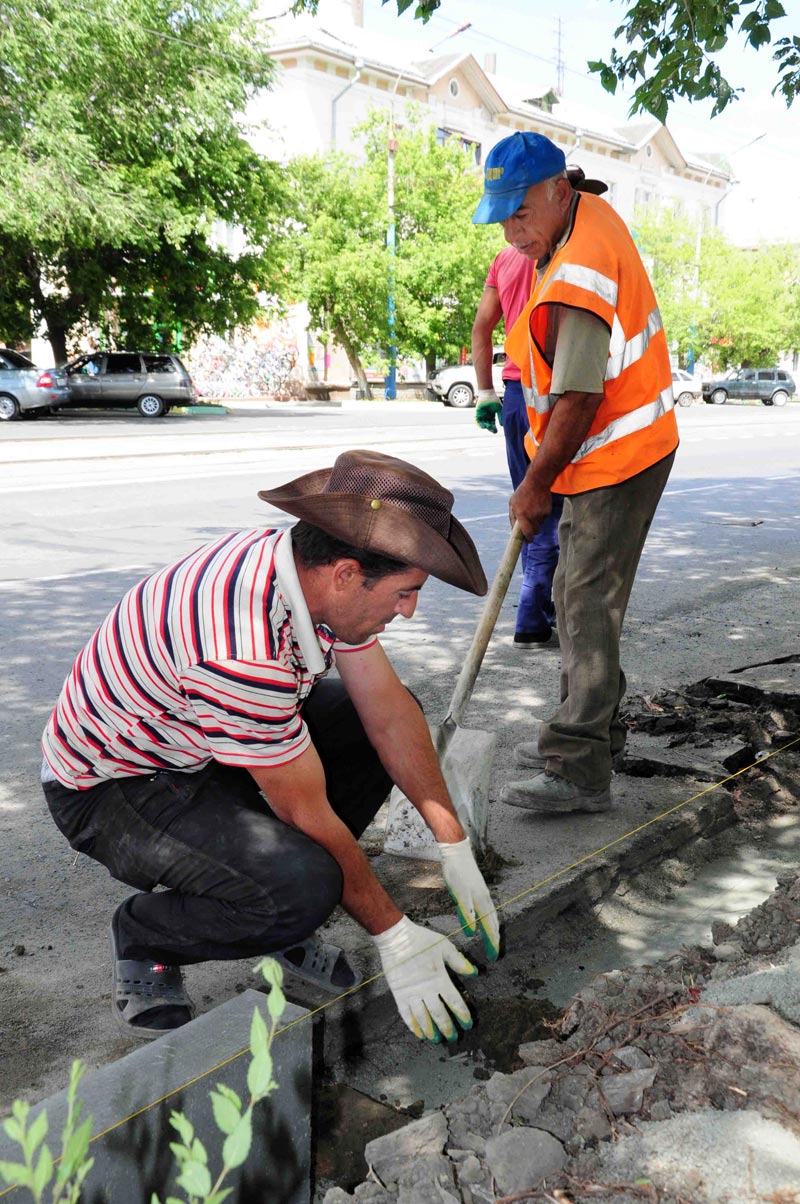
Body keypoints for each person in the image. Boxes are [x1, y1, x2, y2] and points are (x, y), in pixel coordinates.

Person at [41, 450, 500, 1043]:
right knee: (303, 887)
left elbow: (387, 714)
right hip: (113, 786)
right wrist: (393, 933)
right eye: (406, 592)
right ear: (346, 575)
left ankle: (272, 911)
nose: (409, 611)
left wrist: (452, 842)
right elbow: (304, 810)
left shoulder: (305, 573)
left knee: (363, 727)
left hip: (200, 743)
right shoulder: (242, 648)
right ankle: (146, 937)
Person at [472, 132, 679, 815]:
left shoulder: (578, 272)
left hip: (619, 451)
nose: (511, 230)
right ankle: (599, 732)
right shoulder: (575, 219)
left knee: (584, 598)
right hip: (609, 447)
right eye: (502, 216)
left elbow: (580, 397)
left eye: (521, 212)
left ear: (558, 191)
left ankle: (579, 766)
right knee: (572, 591)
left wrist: (533, 485)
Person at [471, 170, 605, 644]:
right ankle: (532, 614)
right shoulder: (563, 256)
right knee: (544, 499)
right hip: (553, 392)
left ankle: (535, 609)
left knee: (526, 500)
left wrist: (486, 392)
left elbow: (482, 327)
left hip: (513, 393)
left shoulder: (504, 260)